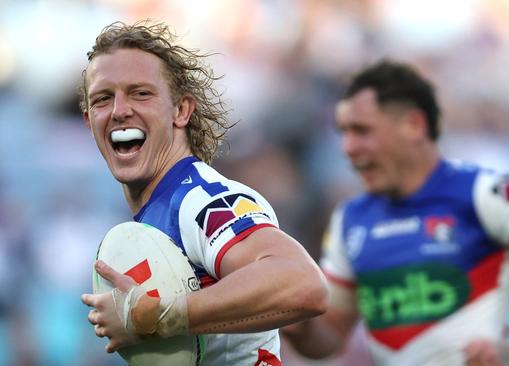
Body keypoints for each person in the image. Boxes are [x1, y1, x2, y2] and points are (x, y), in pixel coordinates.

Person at [281, 60, 509, 365]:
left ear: (414, 126)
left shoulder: (481, 193)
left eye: (361, 131)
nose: (348, 147)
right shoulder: (351, 218)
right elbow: (328, 340)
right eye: (343, 133)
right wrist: (295, 324)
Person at [78, 21, 328, 365]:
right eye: (104, 98)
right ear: (88, 120)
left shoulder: (199, 199)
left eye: (140, 93)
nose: (120, 110)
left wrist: (153, 317)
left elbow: (302, 284)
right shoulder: (159, 210)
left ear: (181, 110)